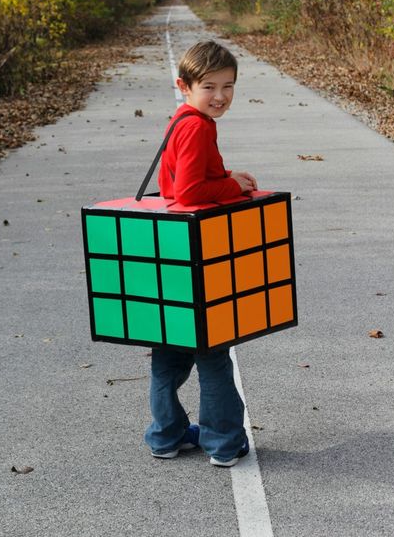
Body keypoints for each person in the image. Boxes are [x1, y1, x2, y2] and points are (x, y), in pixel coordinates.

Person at [144, 40, 258, 467]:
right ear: (184, 85)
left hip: (171, 249)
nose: (220, 96)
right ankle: (224, 444)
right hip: (196, 251)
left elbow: (176, 183)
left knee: (168, 351)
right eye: (209, 86)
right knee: (212, 354)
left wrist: (226, 175)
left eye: (228, 86)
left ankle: (166, 436)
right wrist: (234, 188)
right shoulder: (198, 126)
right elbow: (191, 192)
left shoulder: (182, 120)